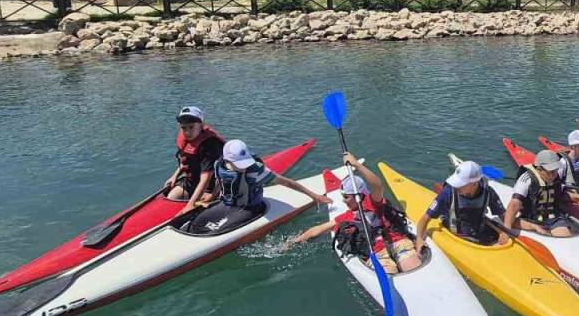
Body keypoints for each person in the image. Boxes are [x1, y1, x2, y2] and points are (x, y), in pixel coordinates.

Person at [292, 152, 421, 274]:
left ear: (358, 195)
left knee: (412, 267)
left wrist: (357, 165)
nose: (343, 200)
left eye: (346, 197)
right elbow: (317, 230)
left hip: (397, 241)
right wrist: (293, 242)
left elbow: (377, 185)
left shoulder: (373, 202)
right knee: (389, 272)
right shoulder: (347, 217)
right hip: (377, 254)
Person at [185, 139, 330, 234]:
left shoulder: (255, 170)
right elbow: (221, 183)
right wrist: (212, 196)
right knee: (195, 224)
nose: (244, 167)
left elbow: (287, 182)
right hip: (228, 204)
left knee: (215, 231)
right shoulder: (219, 165)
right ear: (227, 160)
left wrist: (314, 196)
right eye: (239, 164)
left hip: (250, 208)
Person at [415, 160, 506, 253]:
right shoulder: (448, 193)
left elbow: (504, 216)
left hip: (477, 232)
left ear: (474, 183)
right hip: (455, 235)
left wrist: (503, 232)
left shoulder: (488, 192)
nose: (456, 187)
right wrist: (419, 239)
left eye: (460, 184)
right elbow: (425, 218)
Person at [502, 150, 578, 237]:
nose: (555, 174)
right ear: (539, 169)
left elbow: (558, 193)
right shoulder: (527, 179)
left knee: (564, 234)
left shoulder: (555, 176)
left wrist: (576, 197)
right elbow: (515, 204)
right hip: (530, 218)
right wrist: (507, 229)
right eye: (551, 171)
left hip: (551, 217)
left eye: (556, 170)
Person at [166, 106, 224, 213]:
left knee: (199, 207)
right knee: (170, 197)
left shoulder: (210, 145)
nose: (187, 132)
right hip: (191, 181)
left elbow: (206, 179)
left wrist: (191, 205)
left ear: (201, 125)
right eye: (184, 128)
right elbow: (185, 161)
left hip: (210, 187)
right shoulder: (185, 139)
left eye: (191, 127)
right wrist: (174, 176)